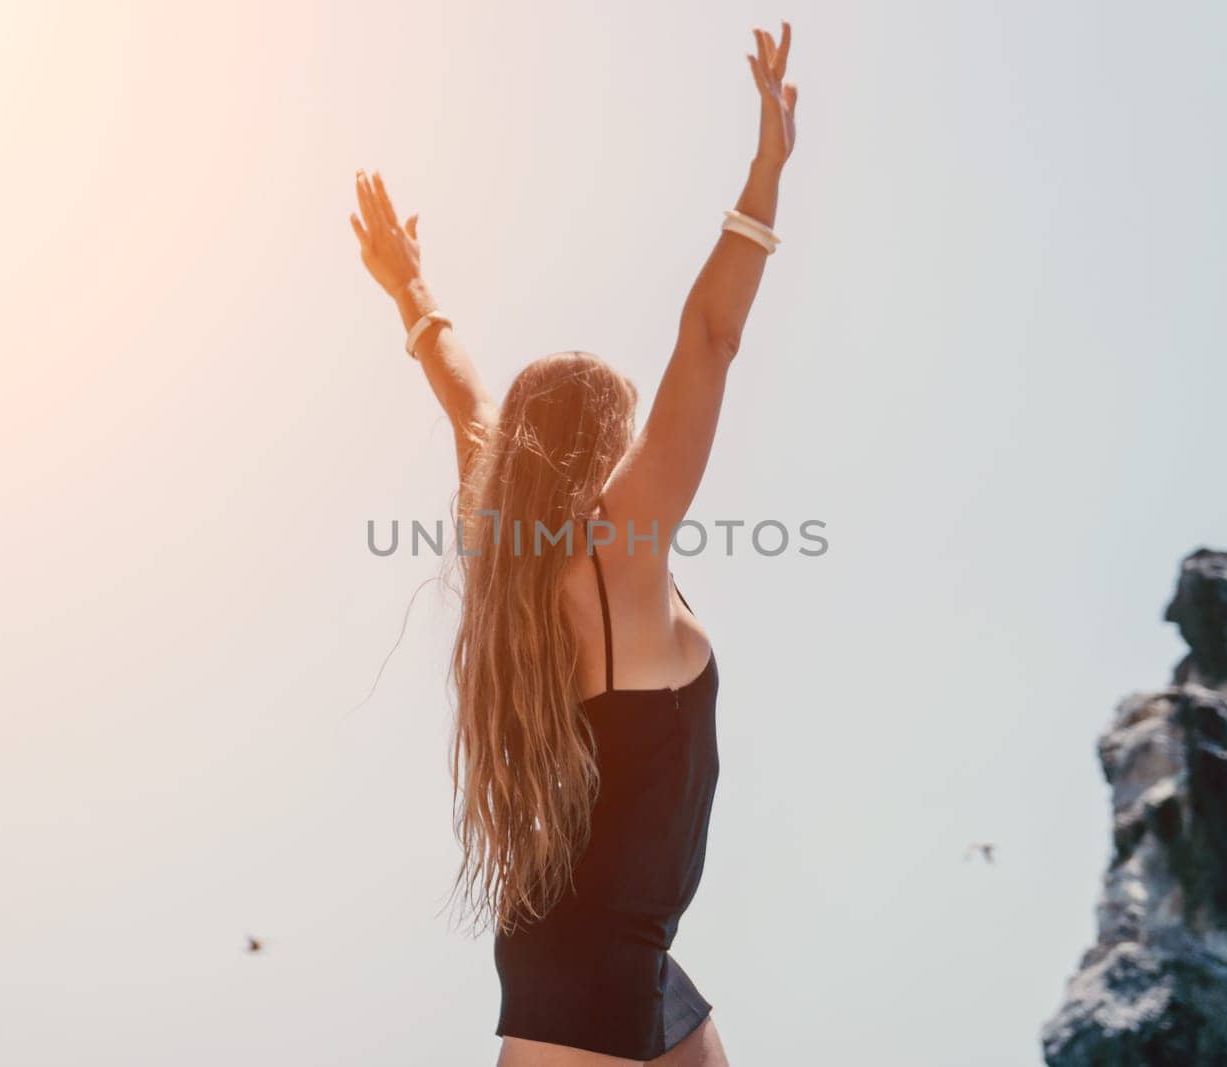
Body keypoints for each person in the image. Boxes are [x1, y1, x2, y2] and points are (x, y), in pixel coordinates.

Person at [349, 21, 797, 1066]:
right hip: (584, 963)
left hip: (634, 954)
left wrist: (412, 290)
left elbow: (464, 398)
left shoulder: (509, 544)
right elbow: (709, 336)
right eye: (625, 423)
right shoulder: (617, 546)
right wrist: (766, 170)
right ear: (600, 443)